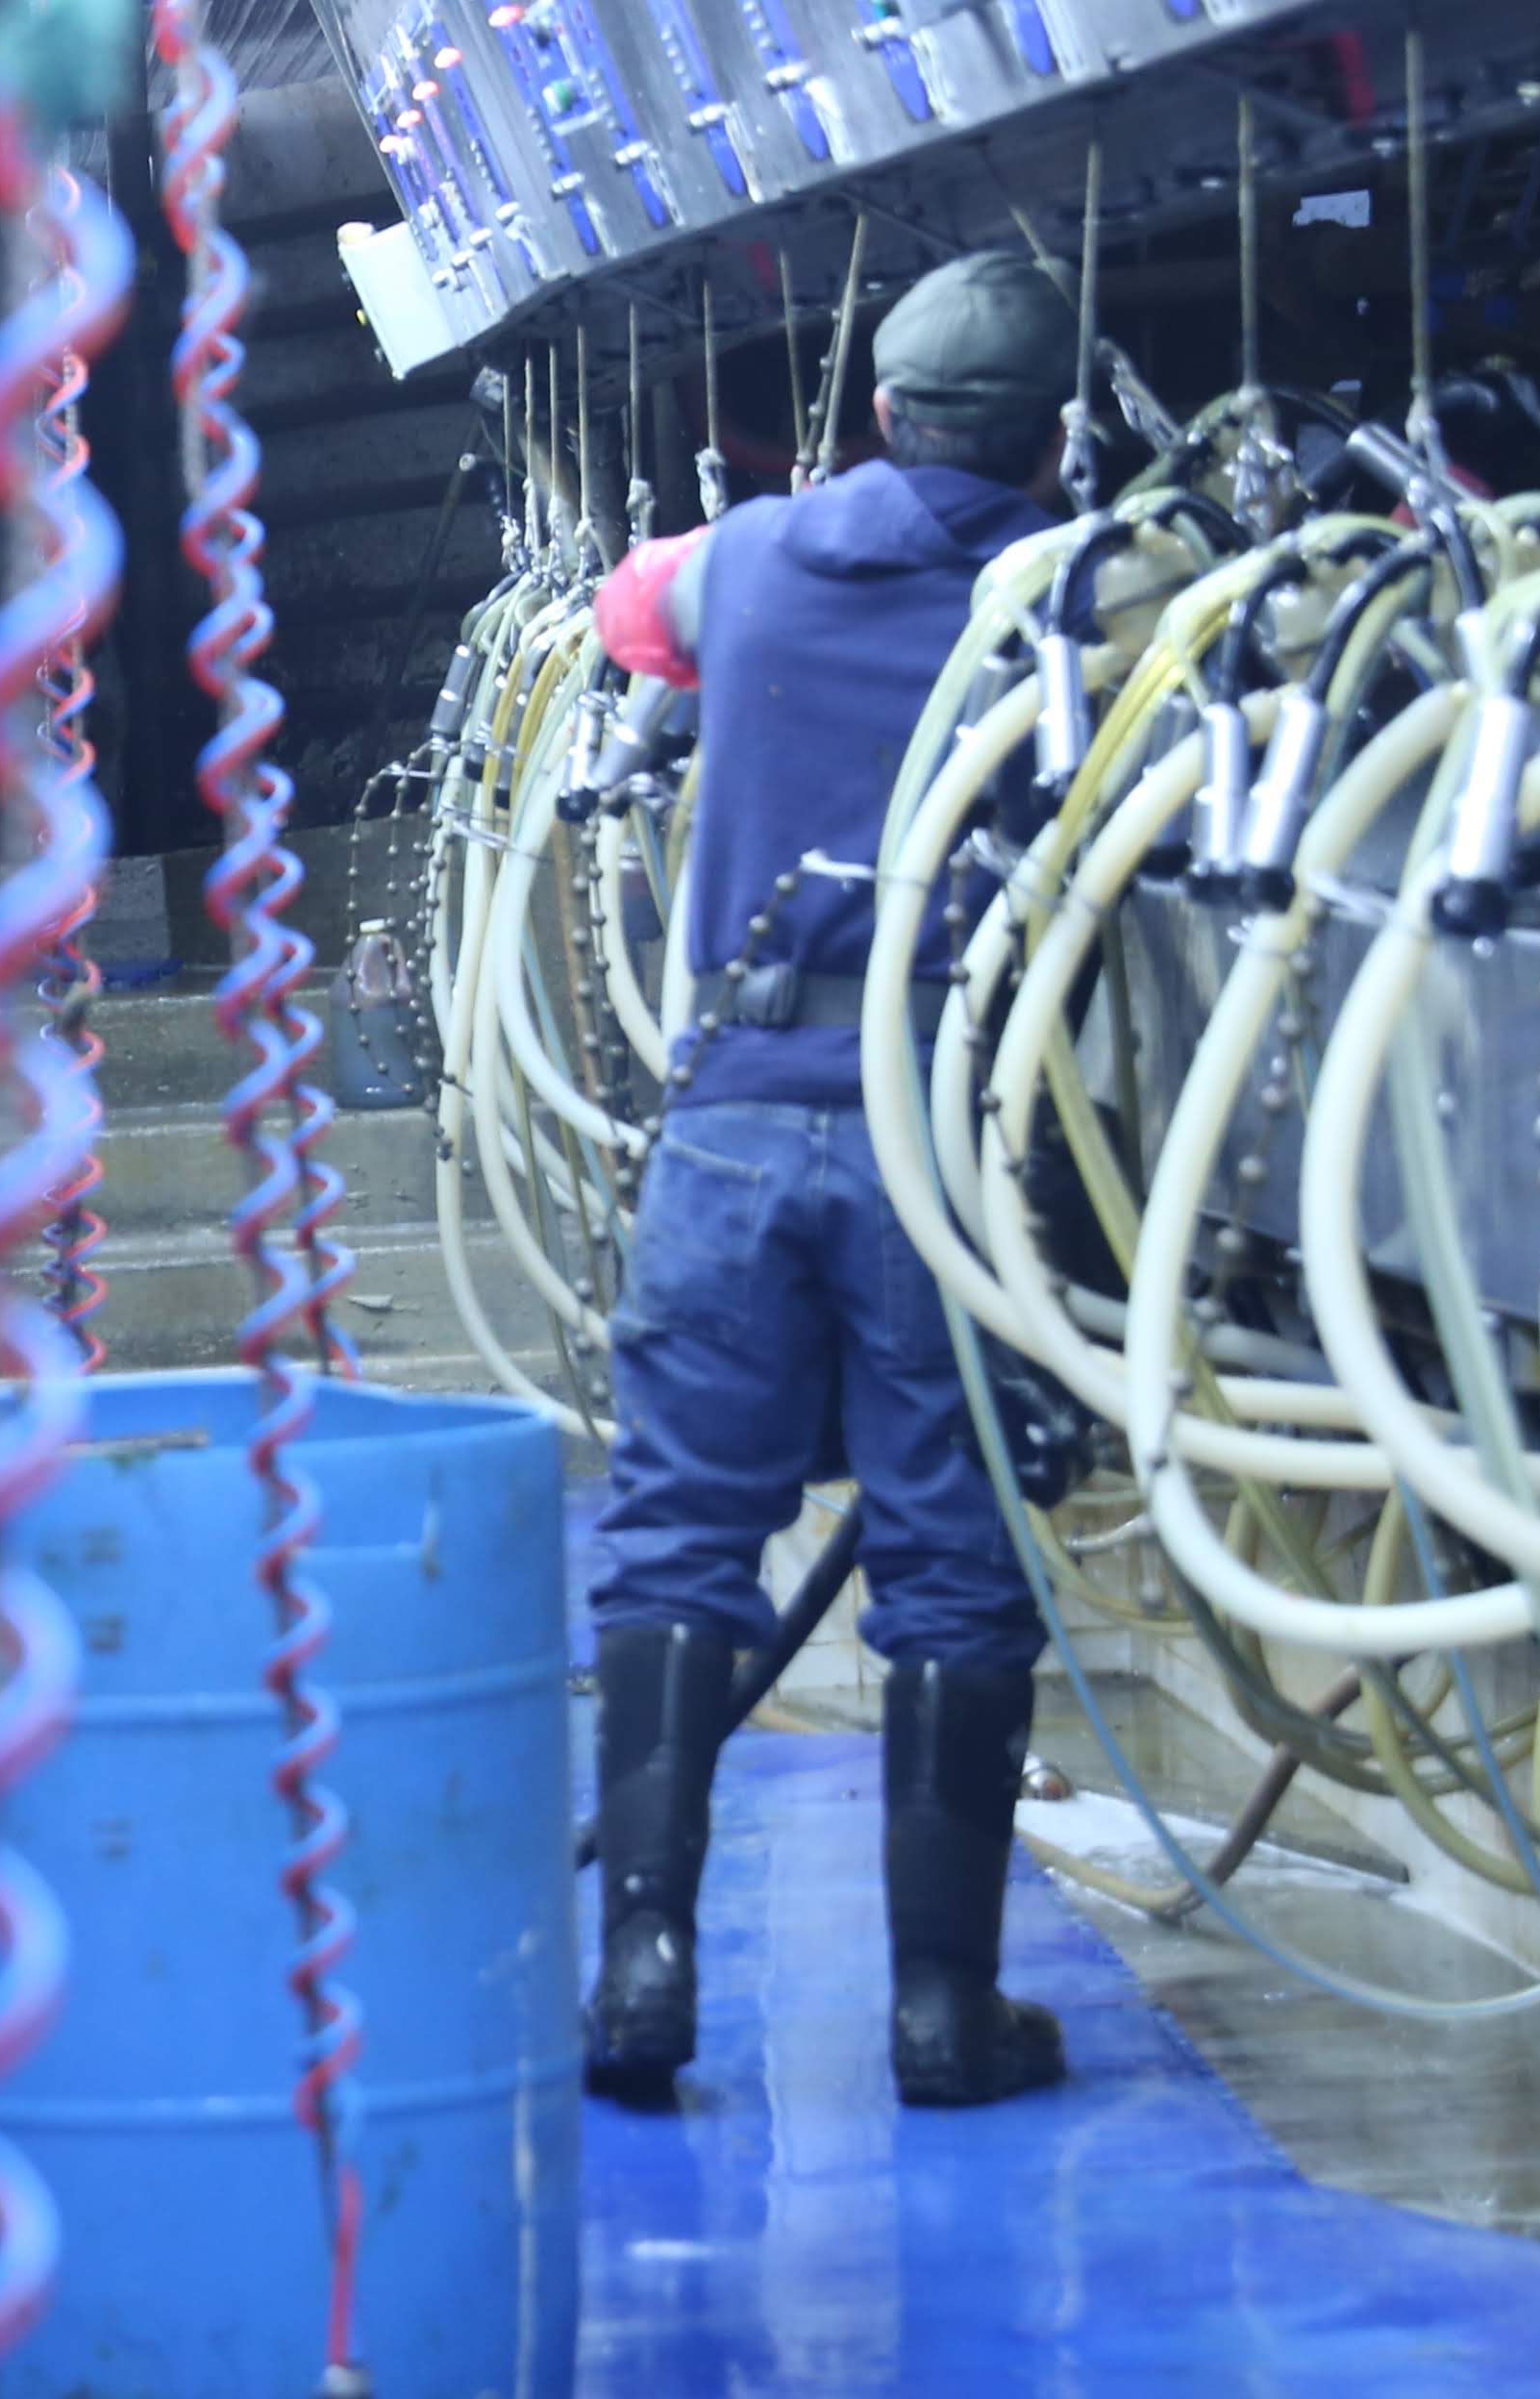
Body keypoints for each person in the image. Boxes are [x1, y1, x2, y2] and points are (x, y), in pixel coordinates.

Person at [573, 250, 1080, 2115]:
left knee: (677, 1533)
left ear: (875, 407)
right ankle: (942, 2013)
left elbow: (631, 618)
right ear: (1049, 440)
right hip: (933, 1135)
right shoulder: (1064, 587)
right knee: (948, 1560)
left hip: (729, 1116)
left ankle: (638, 1965)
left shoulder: (753, 558)